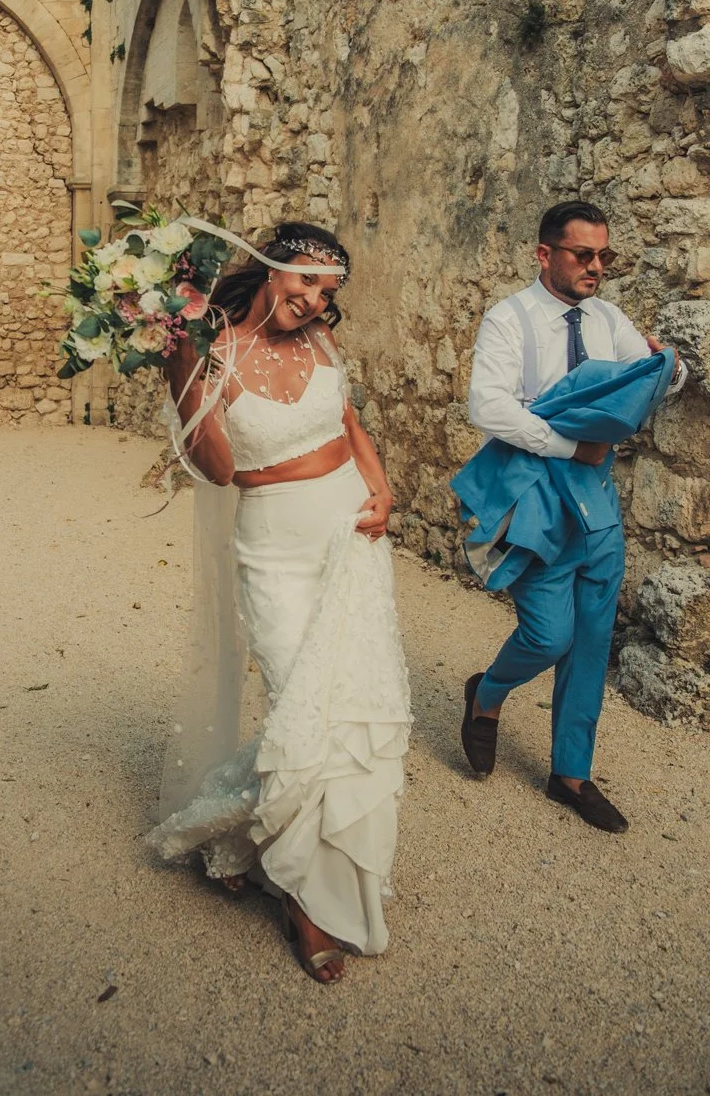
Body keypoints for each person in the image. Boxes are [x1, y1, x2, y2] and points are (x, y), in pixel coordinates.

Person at [147, 221, 411, 983]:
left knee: (348, 710)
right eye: (306, 281)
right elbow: (218, 469)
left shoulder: (323, 342)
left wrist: (383, 491)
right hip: (275, 554)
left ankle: (267, 857)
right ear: (269, 270)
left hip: (351, 544)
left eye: (329, 291)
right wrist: (181, 367)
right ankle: (302, 898)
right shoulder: (211, 350)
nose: (316, 300)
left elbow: (350, 424)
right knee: (304, 711)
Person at [460, 200, 686, 831]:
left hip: (598, 500)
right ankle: (486, 693)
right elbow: (488, 407)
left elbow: (646, 377)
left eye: (603, 256)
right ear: (545, 253)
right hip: (536, 496)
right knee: (547, 635)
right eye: (583, 254)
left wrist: (669, 369)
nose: (596, 266)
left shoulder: (609, 318)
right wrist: (568, 445)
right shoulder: (509, 318)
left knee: (590, 641)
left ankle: (571, 774)